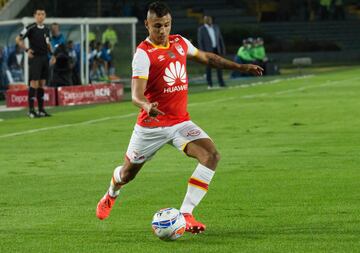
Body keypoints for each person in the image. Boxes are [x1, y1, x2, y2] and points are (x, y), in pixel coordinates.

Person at [96, 1, 263, 234]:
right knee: (127, 174)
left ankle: (186, 213)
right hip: (151, 126)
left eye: (166, 25)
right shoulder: (144, 54)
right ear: (147, 25)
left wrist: (240, 67)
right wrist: (146, 105)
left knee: (211, 155)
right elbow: (135, 94)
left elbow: (208, 58)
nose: (162, 30)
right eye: (157, 26)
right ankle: (111, 193)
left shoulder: (180, 42)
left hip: (180, 122)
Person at [16, 7, 53, 118]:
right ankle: (31, 110)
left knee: (42, 83)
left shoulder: (47, 29)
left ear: (45, 16)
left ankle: (41, 110)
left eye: (42, 14)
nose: (40, 16)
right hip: (35, 58)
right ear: (35, 16)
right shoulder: (30, 27)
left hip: (44, 58)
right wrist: (27, 50)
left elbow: (48, 44)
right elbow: (18, 39)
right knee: (34, 83)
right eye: (38, 14)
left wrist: (52, 54)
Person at [197, 15, 226, 88]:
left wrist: (222, 50)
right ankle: (209, 84)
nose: (208, 20)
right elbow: (200, 42)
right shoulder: (201, 29)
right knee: (208, 68)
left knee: (219, 66)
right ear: (204, 21)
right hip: (207, 52)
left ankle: (221, 83)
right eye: (206, 19)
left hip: (217, 50)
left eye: (209, 19)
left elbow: (220, 39)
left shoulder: (216, 27)